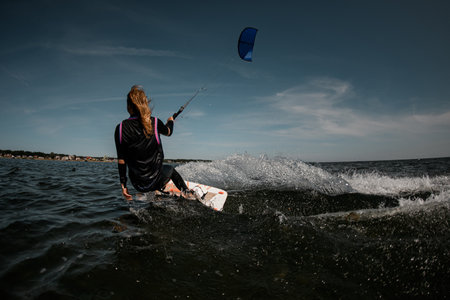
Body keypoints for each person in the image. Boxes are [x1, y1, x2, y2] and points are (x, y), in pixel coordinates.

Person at [114, 85, 195, 201]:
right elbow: (168, 132)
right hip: (155, 180)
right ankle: (187, 193)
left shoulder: (120, 128)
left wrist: (124, 186)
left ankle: (157, 190)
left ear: (129, 106)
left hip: (138, 185)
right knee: (170, 169)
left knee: (146, 171)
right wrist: (170, 121)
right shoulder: (155, 122)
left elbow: (121, 160)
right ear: (144, 103)